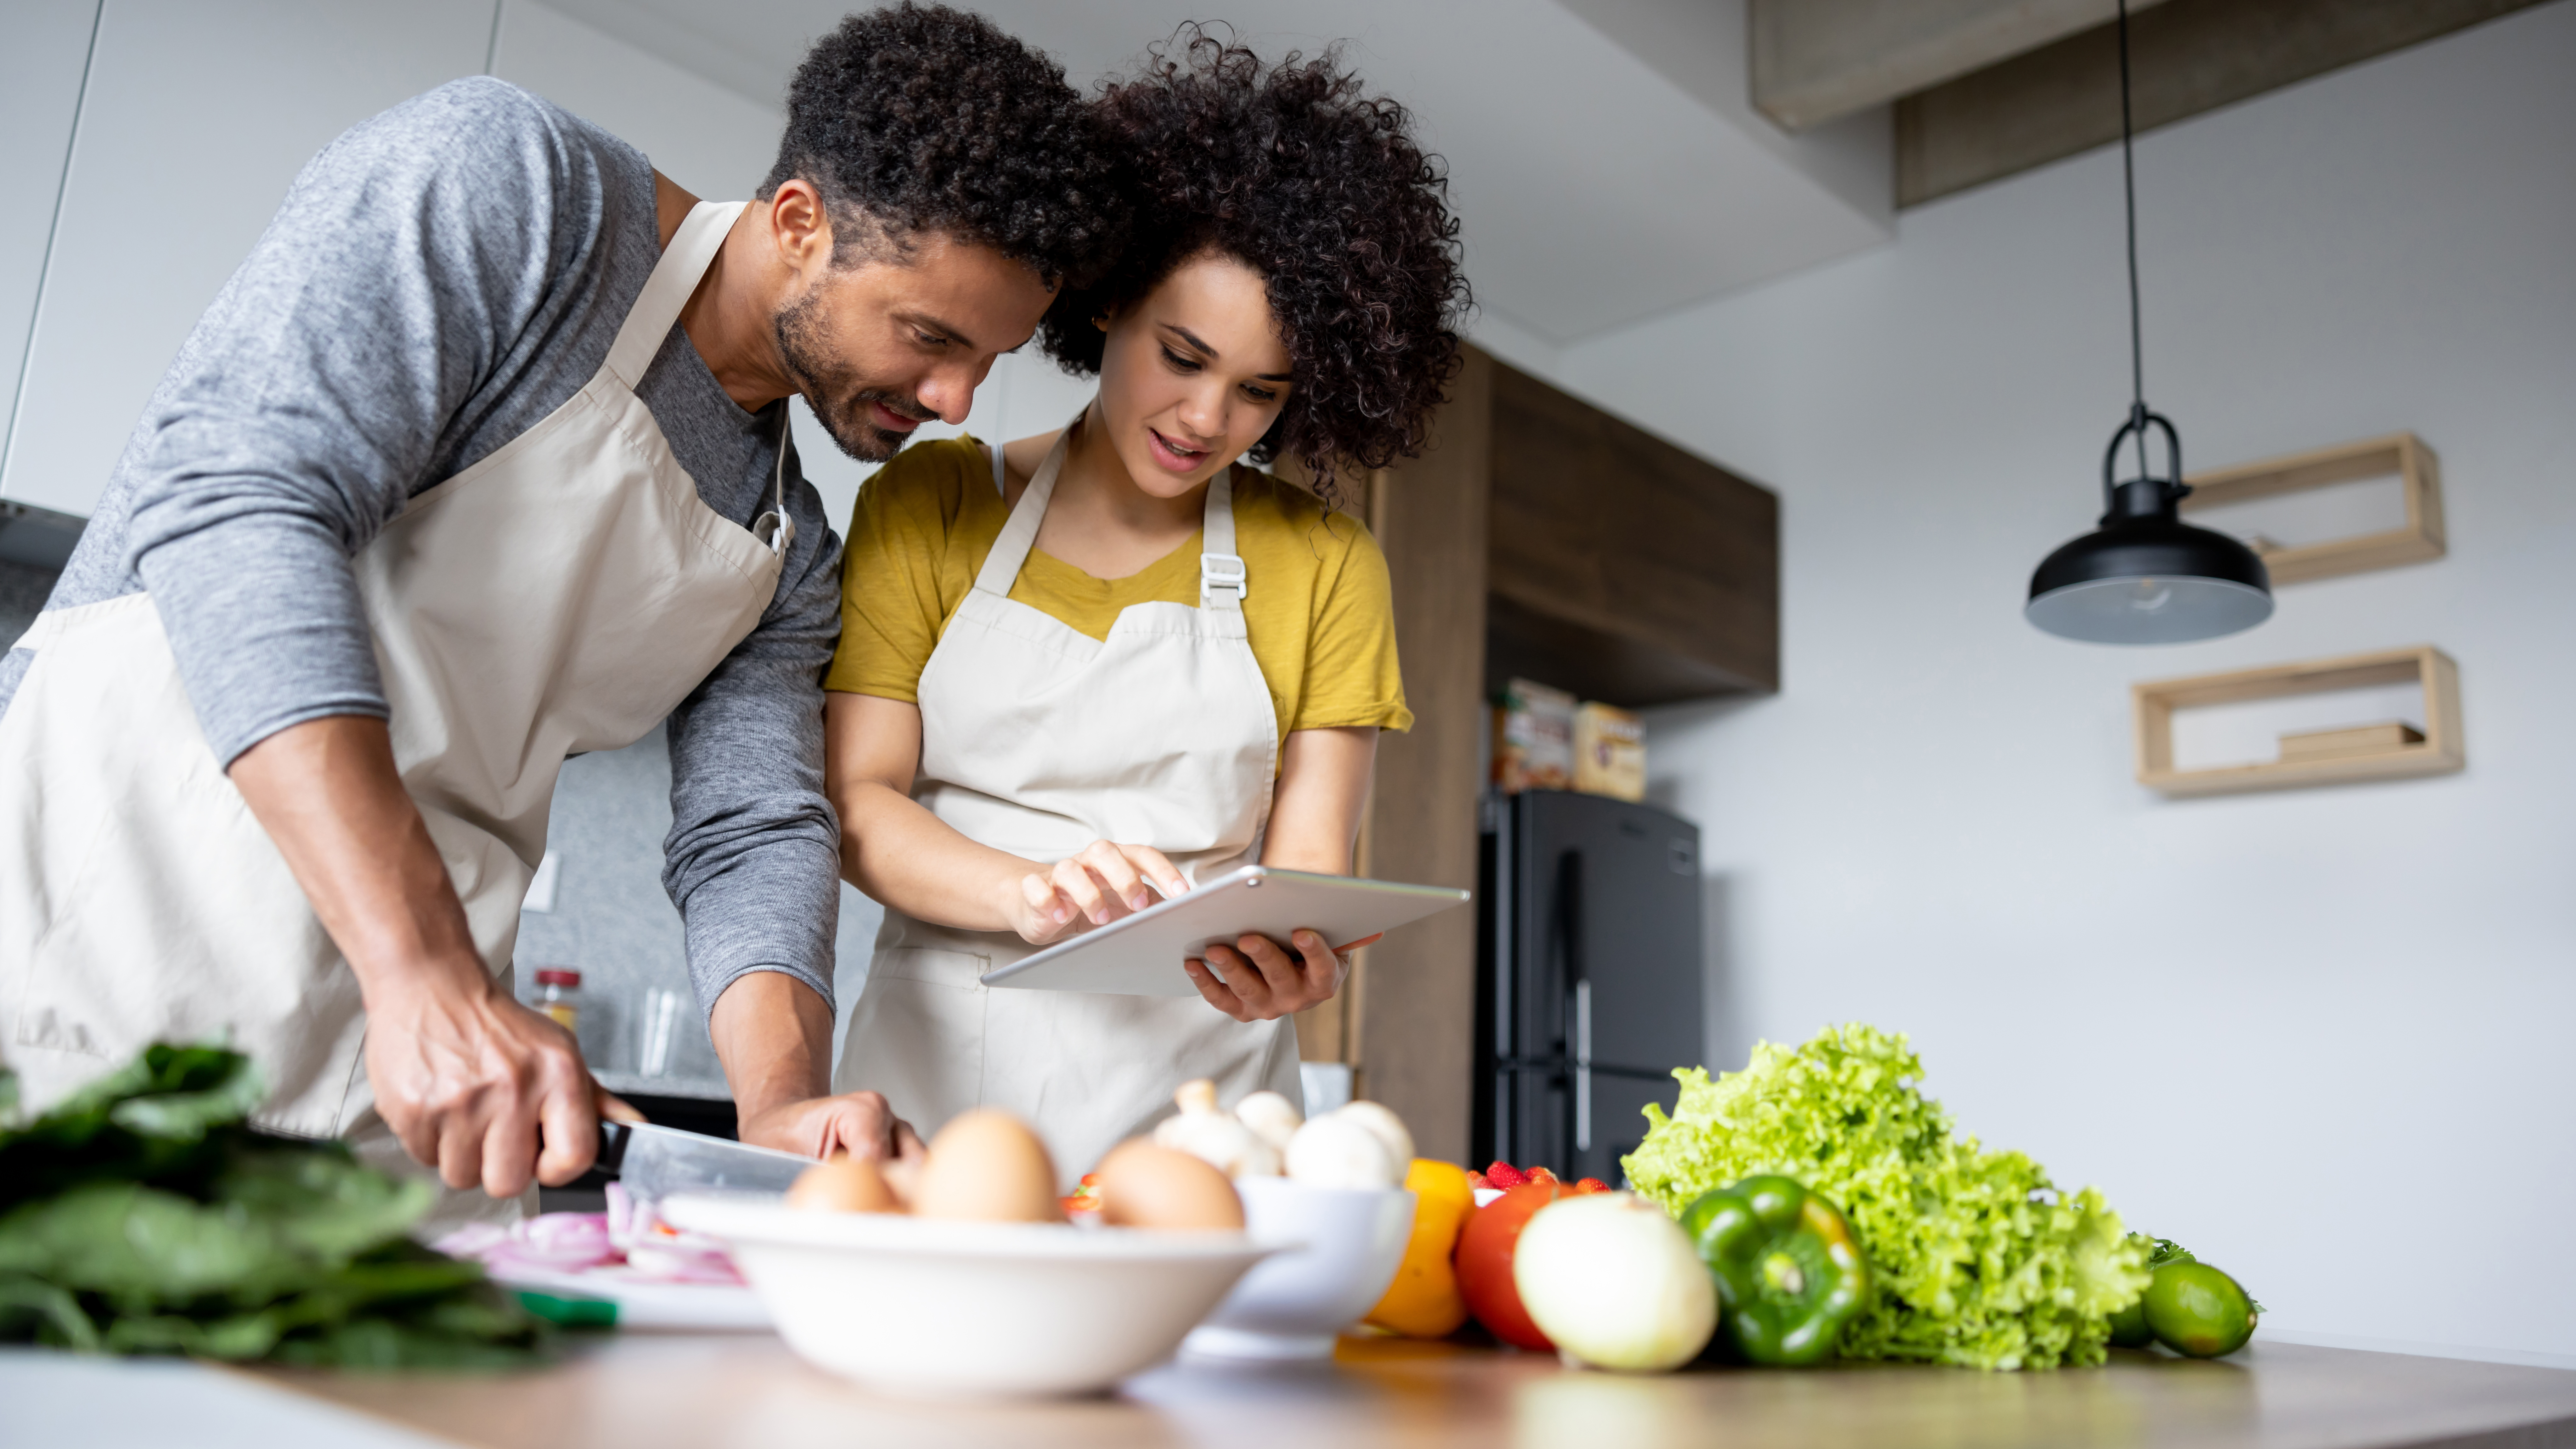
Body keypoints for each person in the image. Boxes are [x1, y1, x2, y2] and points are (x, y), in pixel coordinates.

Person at [0, 4, 1121, 1224]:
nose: (955, 400)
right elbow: (240, 501)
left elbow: (753, 828)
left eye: (986, 359)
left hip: (404, 1093)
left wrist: (783, 1099)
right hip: (98, 947)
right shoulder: (518, 193)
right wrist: (420, 968)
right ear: (799, 223)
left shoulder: (783, 542)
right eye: (929, 336)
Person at [820, 33, 1470, 1182]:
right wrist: (1029, 893)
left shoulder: (1325, 563)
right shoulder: (934, 502)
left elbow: (1307, 866)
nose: (1205, 419)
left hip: (1205, 1118)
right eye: (1182, 355)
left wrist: (1305, 957)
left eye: (1259, 392)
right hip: (936, 1105)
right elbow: (857, 801)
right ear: (1109, 301)